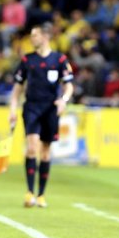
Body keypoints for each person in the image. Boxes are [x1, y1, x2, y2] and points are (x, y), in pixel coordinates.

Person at [9, 22, 74, 208]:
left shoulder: (60, 60)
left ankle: (41, 194)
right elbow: (17, 89)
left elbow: (69, 85)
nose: (32, 38)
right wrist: (12, 110)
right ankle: (29, 192)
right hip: (31, 107)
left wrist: (64, 99)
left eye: (35, 35)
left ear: (45, 37)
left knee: (45, 151)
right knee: (31, 147)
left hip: (51, 109)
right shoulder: (27, 60)